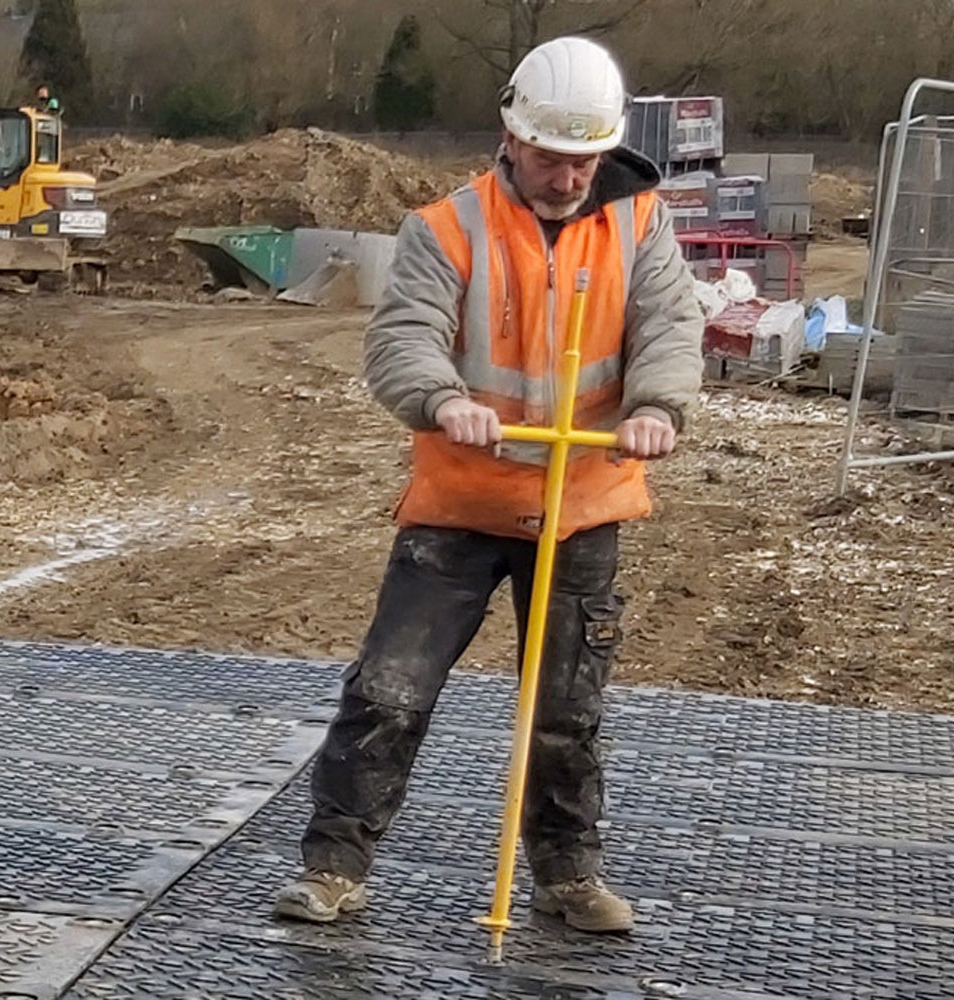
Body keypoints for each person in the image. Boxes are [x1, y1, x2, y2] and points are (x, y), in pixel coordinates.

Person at [275, 35, 703, 933]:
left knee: (566, 707)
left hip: (582, 503)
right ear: (511, 137)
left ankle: (566, 875)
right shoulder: (446, 227)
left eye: (584, 158)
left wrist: (659, 405)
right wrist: (439, 398)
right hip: (462, 503)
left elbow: (668, 322)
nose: (567, 176)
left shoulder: (639, 220)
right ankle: (334, 867)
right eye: (551, 157)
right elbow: (402, 338)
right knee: (390, 690)